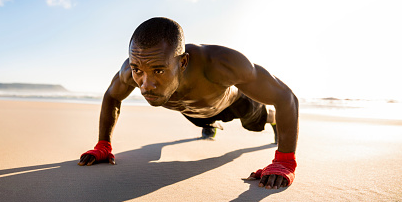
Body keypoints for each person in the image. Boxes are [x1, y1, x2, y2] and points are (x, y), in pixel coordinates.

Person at [78, 17, 299, 189]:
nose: (145, 85)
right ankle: (209, 125)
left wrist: (284, 162)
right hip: (194, 111)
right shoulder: (131, 70)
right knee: (199, 120)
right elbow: (112, 96)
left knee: (254, 123)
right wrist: (103, 145)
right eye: (138, 70)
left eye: (159, 71)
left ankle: (271, 121)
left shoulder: (219, 63)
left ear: (183, 62)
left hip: (232, 103)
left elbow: (286, 97)